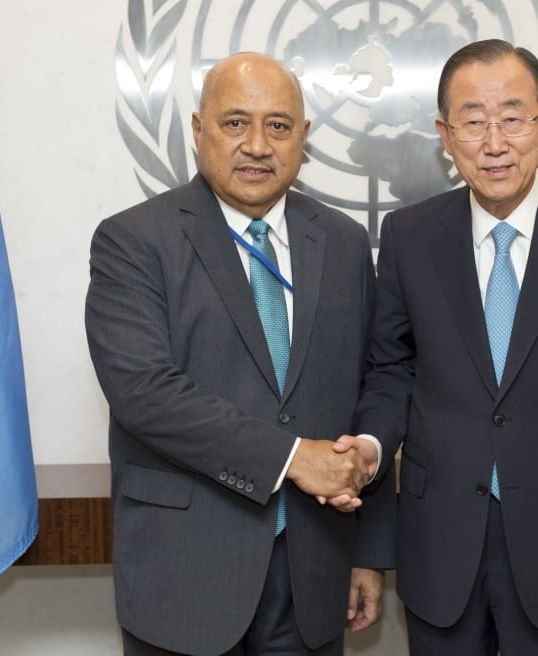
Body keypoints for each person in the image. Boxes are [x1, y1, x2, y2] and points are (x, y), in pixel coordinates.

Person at [342, 39, 538, 655]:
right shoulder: (409, 236)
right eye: (473, 121)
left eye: (513, 118)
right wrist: (372, 445)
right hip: (440, 545)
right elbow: (392, 371)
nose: (494, 143)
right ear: (444, 132)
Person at [86, 52, 394, 656]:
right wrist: (292, 459)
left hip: (315, 575)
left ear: (302, 137)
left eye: (278, 126)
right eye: (235, 123)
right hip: (186, 580)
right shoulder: (132, 241)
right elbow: (144, 393)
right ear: (198, 130)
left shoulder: (344, 242)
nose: (257, 145)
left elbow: (372, 389)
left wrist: (368, 554)